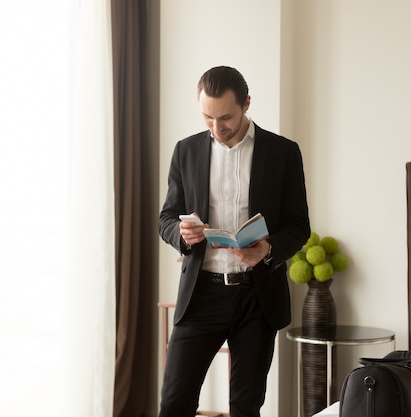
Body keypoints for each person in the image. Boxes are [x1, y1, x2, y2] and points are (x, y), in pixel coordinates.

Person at [158, 66, 310, 417]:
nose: (216, 127)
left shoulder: (283, 152)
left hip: (257, 297)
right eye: (207, 117)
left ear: (246, 104)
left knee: (245, 406)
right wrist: (181, 235)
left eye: (225, 117)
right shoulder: (186, 151)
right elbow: (166, 218)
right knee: (174, 402)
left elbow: (299, 225)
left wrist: (268, 249)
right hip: (201, 295)